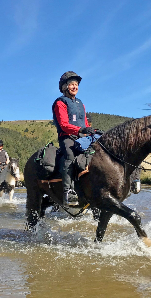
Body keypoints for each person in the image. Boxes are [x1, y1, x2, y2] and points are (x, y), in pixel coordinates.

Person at [52, 71, 93, 206]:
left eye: (76, 84)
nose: (75, 87)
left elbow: (84, 122)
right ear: (64, 87)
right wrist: (80, 130)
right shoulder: (60, 103)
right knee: (70, 156)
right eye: (71, 85)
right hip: (67, 137)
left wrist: (90, 131)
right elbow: (64, 125)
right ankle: (68, 192)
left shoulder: (81, 103)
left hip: (82, 137)